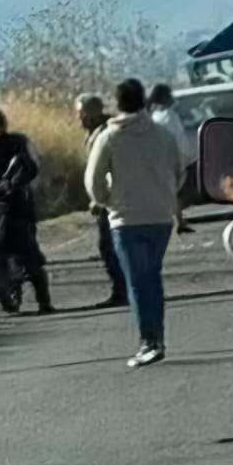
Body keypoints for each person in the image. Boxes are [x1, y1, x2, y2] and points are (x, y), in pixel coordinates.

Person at [86, 79, 186, 369]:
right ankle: (158, 337)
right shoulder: (162, 134)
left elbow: (93, 180)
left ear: (116, 104)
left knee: (137, 281)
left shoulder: (110, 137)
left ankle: (149, 341)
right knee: (152, 276)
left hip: (126, 218)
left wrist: (107, 201)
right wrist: (168, 194)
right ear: (143, 100)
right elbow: (180, 169)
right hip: (159, 216)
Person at [0, 108, 56, 314]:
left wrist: (9, 186)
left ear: (2, 127)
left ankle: (44, 300)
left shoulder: (16, 144)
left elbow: (29, 169)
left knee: (27, 252)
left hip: (15, 205)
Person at [77, 94, 128, 309]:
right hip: (106, 199)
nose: (79, 118)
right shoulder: (94, 133)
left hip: (112, 199)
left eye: (82, 113)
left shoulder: (107, 133)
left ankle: (122, 289)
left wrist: (101, 197)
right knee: (110, 246)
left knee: (111, 246)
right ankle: (123, 288)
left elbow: (111, 168)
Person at [148, 83, 197, 235]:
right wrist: (184, 157)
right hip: (173, 158)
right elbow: (178, 139)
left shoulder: (154, 117)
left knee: (173, 191)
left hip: (160, 159)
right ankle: (177, 221)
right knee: (176, 191)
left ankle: (178, 220)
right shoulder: (169, 116)